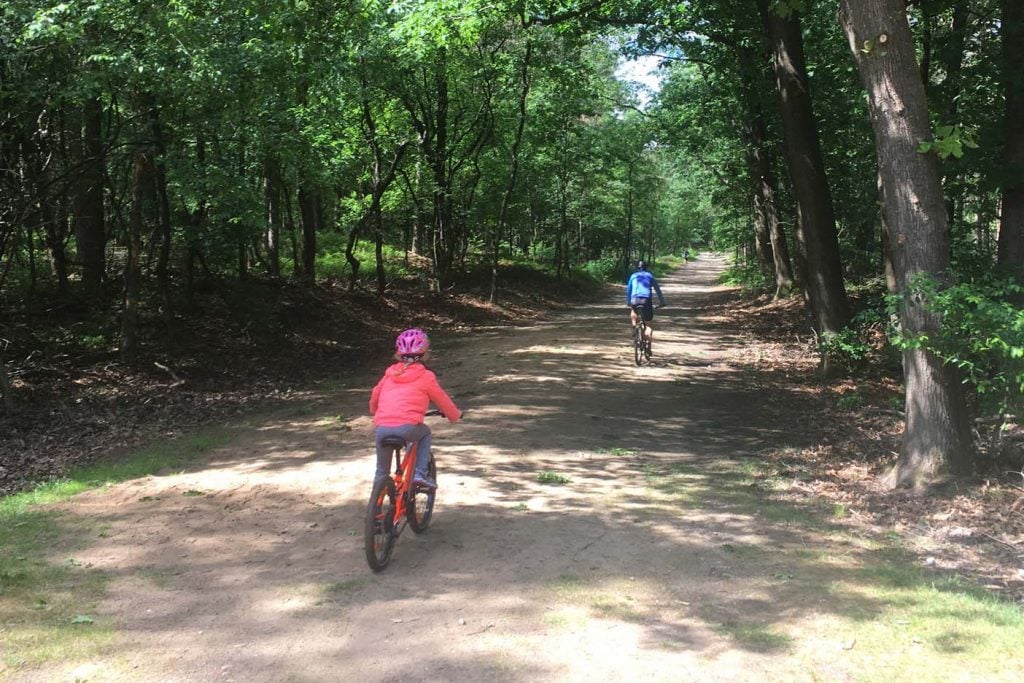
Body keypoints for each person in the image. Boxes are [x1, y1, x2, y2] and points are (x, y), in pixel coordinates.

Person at [369, 328, 462, 489]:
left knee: (381, 471)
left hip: (382, 428)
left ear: (398, 353)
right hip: (408, 427)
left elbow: (375, 394)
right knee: (424, 433)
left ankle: (374, 507)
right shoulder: (426, 376)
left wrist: (374, 411)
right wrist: (454, 415)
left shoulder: (389, 374)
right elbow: (441, 398)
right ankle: (419, 472)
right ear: (425, 354)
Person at [626, 260, 665, 345]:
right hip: (646, 300)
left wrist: (628, 301)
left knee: (633, 310)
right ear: (646, 268)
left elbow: (629, 290)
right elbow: (658, 290)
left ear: (637, 268)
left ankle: (634, 326)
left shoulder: (633, 276)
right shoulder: (650, 276)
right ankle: (647, 345)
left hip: (634, 298)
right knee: (648, 325)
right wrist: (662, 302)